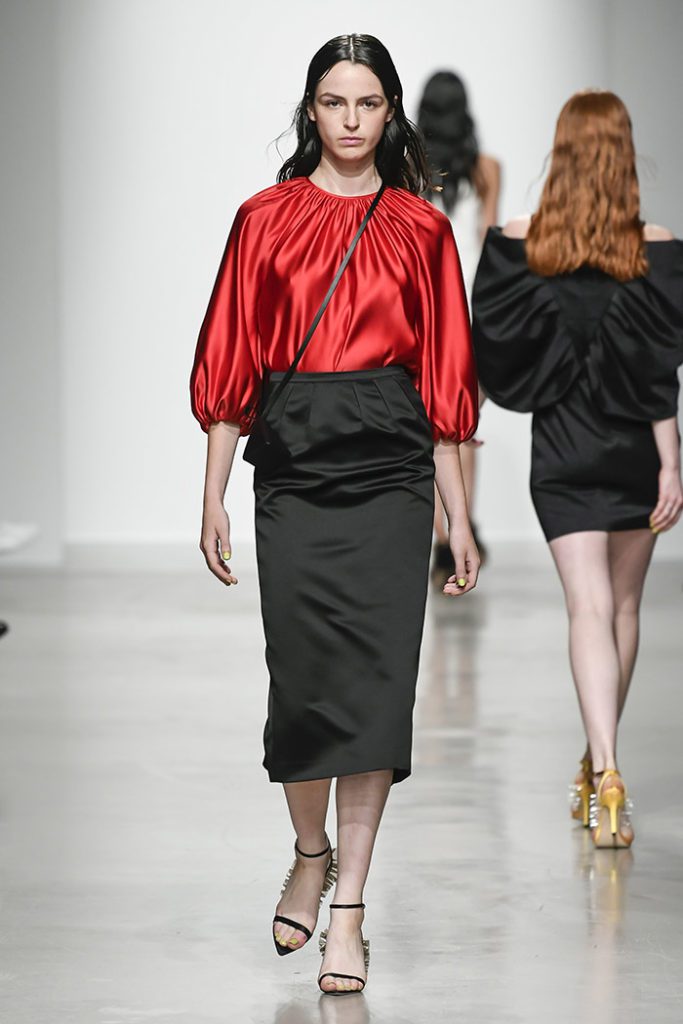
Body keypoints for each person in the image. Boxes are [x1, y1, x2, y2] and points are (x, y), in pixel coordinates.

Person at [190, 34, 479, 994]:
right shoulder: (263, 220)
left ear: (390, 113)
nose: (350, 120)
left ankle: (348, 908)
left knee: (376, 691)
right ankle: (309, 854)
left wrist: (458, 518)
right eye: (333, 101)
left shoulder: (421, 230)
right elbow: (233, 357)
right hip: (294, 475)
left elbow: (444, 384)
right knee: (304, 686)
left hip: (390, 477)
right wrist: (212, 492)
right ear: (309, 110)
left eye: (367, 103)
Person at [472, 90, 683, 849]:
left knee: (586, 610)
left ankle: (605, 765)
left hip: (562, 448)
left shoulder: (520, 241)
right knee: (622, 611)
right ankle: (603, 770)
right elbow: (656, 369)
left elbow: (490, 343)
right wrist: (671, 465)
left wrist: (465, 416)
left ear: (560, 151)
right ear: (623, 153)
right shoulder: (655, 246)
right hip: (633, 451)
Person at [417, 71, 501, 586]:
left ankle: (441, 539)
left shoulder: (408, 169)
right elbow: (488, 244)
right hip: (469, 309)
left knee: (428, 429)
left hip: (424, 308)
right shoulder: (486, 170)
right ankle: (460, 528)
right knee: (462, 429)